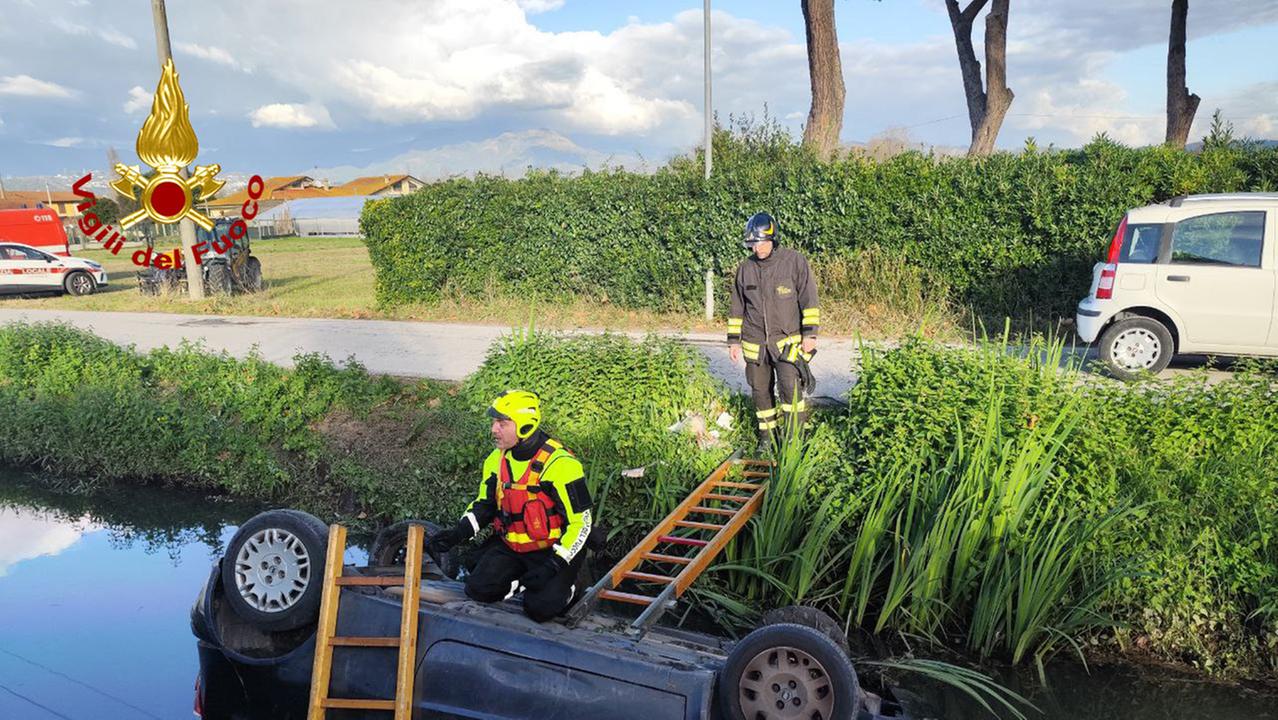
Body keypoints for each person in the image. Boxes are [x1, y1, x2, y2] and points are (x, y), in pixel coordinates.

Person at [426, 390, 593, 622]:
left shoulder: (562, 465)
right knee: (477, 590)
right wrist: (457, 533)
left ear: (525, 426)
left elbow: (581, 523)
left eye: (502, 423)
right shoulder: (496, 459)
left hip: (552, 550)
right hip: (513, 545)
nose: (494, 429)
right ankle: (523, 581)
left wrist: (554, 565)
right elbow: (484, 505)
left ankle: (573, 583)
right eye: (494, 422)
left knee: (540, 609)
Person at [727, 212, 820, 447]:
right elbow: (737, 306)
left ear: (772, 238)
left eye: (760, 242)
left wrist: (810, 334)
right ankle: (767, 438)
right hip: (755, 343)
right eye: (753, 244)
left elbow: (809, 299)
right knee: (759, 391)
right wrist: (733, 341)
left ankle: (793, 439)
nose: (757, 248)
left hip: (786, 342)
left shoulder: (794, 262)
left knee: (790, 390)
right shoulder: (745, 269)